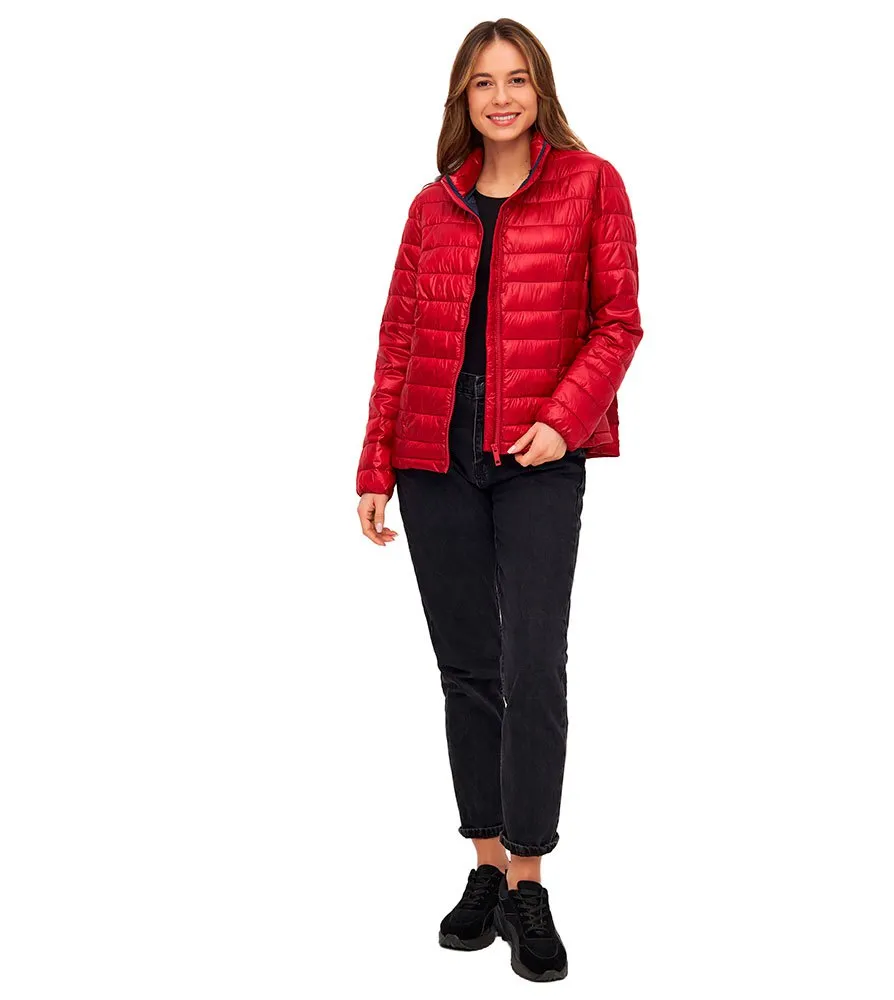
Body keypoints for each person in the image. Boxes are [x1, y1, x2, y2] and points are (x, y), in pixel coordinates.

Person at [355, 18, 642, 983]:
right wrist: (374, 464)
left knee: (533, 667)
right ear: (464, 99)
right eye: (484, 83)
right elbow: (399, 338)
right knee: (468, 670)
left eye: (517, 79)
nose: (503, 97)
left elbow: (617, 322)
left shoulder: (591, 184)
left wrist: (563, 421)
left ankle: (529, 881)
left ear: (540, 89)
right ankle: (483, 865)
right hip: (432, 457)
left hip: (537, 459)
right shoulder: (431, 206)